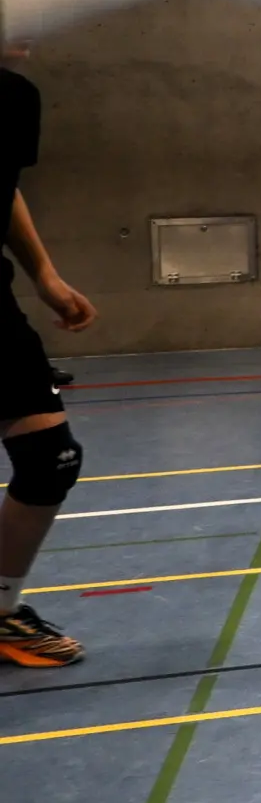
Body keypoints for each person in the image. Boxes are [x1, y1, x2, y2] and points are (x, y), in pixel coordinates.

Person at [0, 59, 95, 669]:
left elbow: (0, 185)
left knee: (49, 458)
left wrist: (45, 275)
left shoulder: (12, 97)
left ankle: (1, 612)